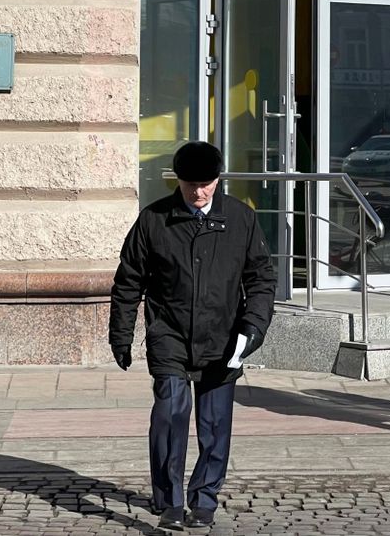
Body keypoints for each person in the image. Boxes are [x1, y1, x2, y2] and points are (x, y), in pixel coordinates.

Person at [109, 141, 276, 531]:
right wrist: (121, 336)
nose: (198, 192)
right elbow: (128, 281)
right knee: (170, 414)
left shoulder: (241, 219)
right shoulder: (154, 220)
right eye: (190, 184)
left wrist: (252, 328)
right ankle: (168, 500)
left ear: (218, 180)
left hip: (223, 337)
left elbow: (261, 279)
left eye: (206, 183)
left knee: (215, 423)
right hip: (169, 333)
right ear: (177, 180)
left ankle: (204, 499)